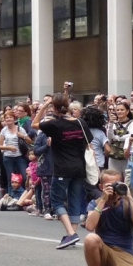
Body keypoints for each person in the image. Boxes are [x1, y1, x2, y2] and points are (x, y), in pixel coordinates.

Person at [33, 93, 92, 249]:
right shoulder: (81, 123)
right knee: (74, 201)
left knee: (56, 201)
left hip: (62, 168)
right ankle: (71, 234)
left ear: (54, 107)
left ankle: (71, 234)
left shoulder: (55, 124)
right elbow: (88, 144)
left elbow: (35, 124)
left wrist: (44, 106)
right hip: (79, 167)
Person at [79, 169, 133, 266]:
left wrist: (130, 198)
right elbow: (90, 226)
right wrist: (103, 200)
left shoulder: (128, 204)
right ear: (101, 187)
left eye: (116, 184)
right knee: (90, 239)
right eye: (109, 185)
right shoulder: (96, 203)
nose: (113, 189)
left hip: (124, 252)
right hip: (103, 250)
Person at [0, 109, 31, 185]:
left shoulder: (20, 129)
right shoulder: (4, 130)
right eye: (7, 118)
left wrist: (23, 136)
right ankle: (11, 195)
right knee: (10, 178)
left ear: (14, 119)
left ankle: (23, 193)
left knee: (24, 176)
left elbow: (30, 141)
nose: (8, 119)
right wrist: (9, 148)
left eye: (10, 117)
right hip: (8, 157)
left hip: (20, 156)